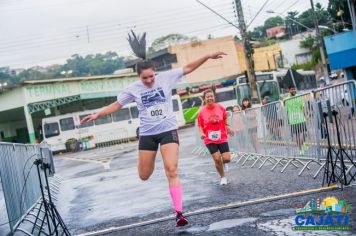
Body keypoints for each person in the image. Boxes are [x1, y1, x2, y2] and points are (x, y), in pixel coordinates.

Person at [80, 31, 227, 227]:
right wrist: (98, 114)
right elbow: (117, 105)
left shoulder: (166, 78)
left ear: (155, 72)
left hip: (168, 130)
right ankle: (143, 160)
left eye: (151, 77)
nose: (149, 81)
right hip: (148, 134)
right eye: (145, 78)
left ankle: (179, 213)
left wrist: (208, 56)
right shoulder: (133, 89)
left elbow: (189, 67)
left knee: (171, 169)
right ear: (138, 76)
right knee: (144, 175)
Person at [197, 89, 234, 185]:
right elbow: (200, 125)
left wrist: (228, 127)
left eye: (211, 96)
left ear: (214, 97)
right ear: (204, 99)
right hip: (209, 139)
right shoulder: (201, 112)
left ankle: (224, 162)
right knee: (217, 159)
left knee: (227, 159)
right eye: (207, 97)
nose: (210, 98)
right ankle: (223, 177)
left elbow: (225, 119)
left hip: (221, 136)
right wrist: (202, 133)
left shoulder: (220, 108)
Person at [284, 85, 308, 155]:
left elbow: (303, 107)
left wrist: (306, 115)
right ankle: (301, 150)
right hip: (293, 120)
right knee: (297, 135)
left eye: (294, 89)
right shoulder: (286, 100)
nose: (293, 90)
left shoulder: (299, 97)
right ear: (289, 90)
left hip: (301, 118)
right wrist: (287, 120)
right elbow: (286, 111)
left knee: (304, 134)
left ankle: (303, 143)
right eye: (292, 89)